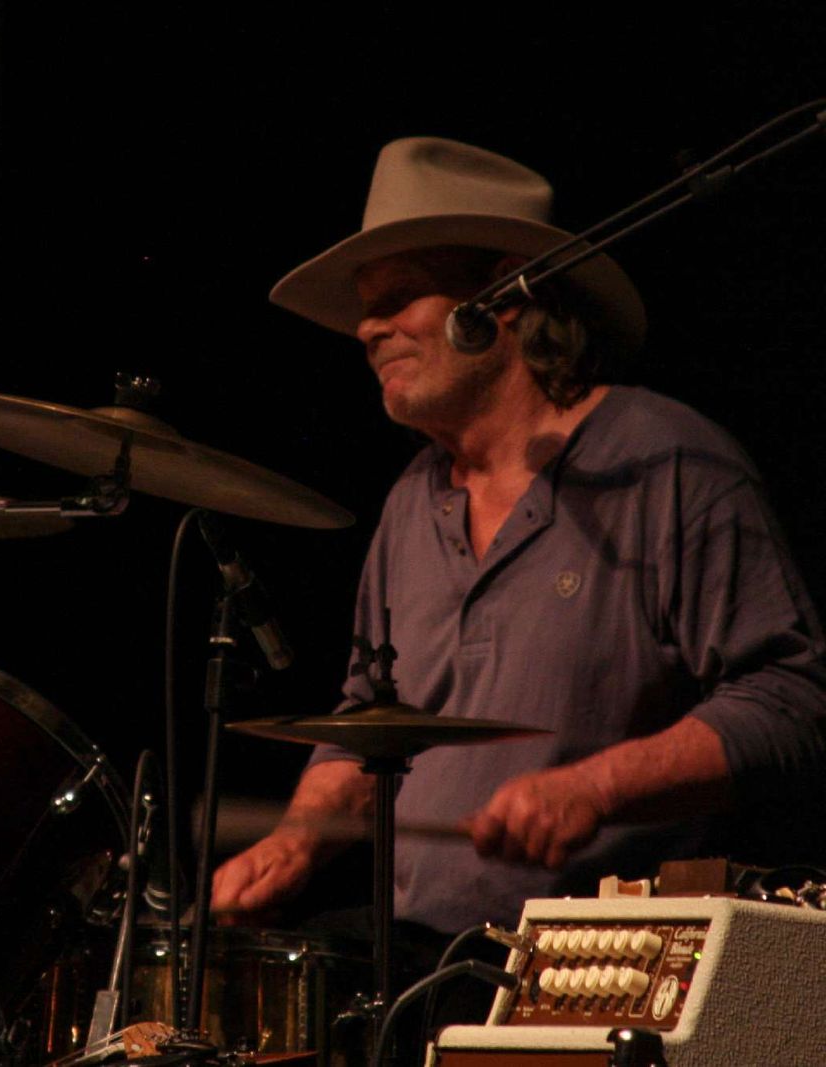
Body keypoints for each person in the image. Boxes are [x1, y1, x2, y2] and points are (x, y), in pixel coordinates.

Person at [212, 137, 826, 941]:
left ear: (502, 297)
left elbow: (790, 702)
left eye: (399, 297)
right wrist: (297, 839)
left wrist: (594, 787)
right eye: (366, 308)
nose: (366, 328)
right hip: (419, 956)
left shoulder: (667, 462)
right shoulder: (411, 503)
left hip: (598, 958)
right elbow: (370, 719)